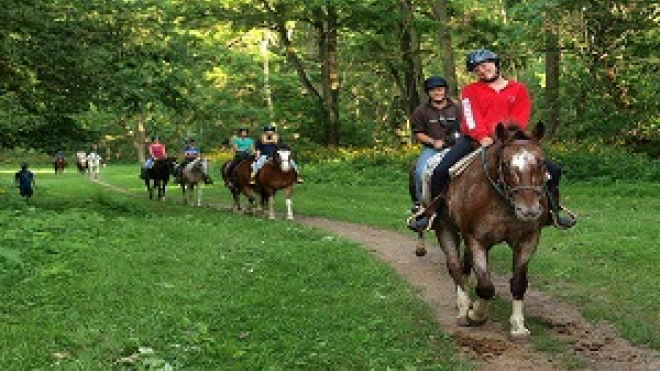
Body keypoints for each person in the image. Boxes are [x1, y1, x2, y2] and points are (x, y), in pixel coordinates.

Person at [407, 48, 575, 232]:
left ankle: (553, 212)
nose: (481, 70)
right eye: (476, 69)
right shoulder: (470, 90)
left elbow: (520, 118)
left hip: (510, 140)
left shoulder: (518, 89)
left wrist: (504, 137)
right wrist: (482, 137)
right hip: (475, 139)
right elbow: (471, 118)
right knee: (440, 170)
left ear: (495, 64)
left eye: (485, 65)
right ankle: (432, 214)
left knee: (553, 170)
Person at [409, 76, 462, 214]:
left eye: (440, 89)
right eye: (433, 90)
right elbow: (418, 133)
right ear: (428, 93)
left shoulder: (458, 108)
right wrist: (433, 142)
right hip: (432, 149)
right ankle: (421, 205)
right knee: (420, 171)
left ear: (445, 90)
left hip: (456, 147)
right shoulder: (420, 111)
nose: (437, 93)